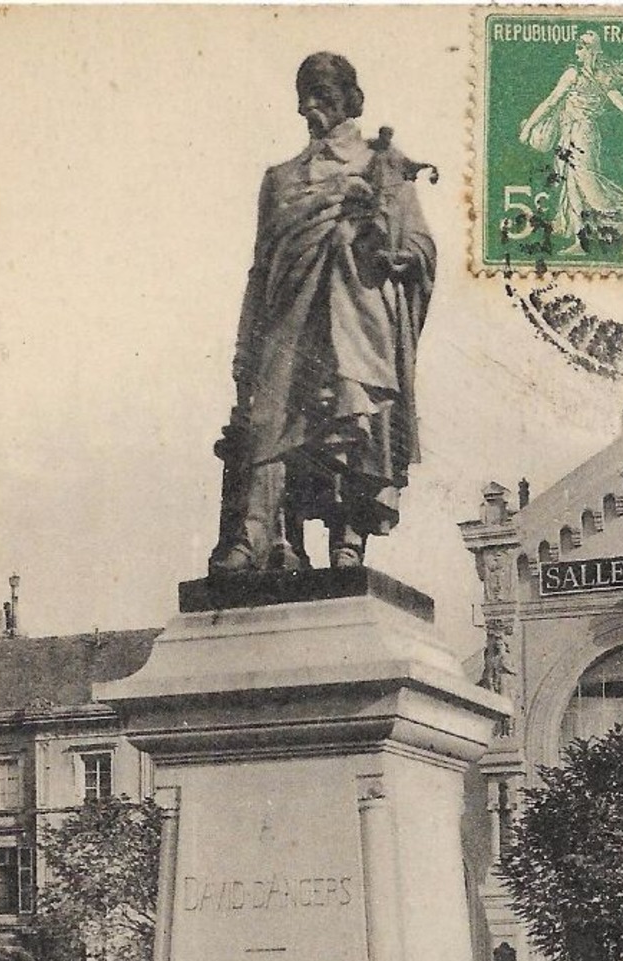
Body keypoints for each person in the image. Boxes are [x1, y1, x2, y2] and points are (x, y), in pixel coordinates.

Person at [214, 53, 436, 575]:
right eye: (305, 93)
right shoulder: (280, 179)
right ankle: (260, 536)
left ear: (350, 99)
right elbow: (260, 266)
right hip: (289, 317)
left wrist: (406, 256)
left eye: (324, 92)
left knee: (351, 423)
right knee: (275, 419)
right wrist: (246, 344)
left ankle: (348, 538)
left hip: (357, 313)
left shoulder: (383, 165)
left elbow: (421, 239)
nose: (312, 104)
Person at [519, 32, 623, 256]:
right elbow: (550, 102)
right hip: (569, 134)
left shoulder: (599, 76)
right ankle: (580, 241)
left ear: (595, 50)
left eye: (584, 47)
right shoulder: (573, 74)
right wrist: (528, 127)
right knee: (572, 187)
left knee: (590, 187)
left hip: (584, 135)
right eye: (578, 46)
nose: (579, 51)